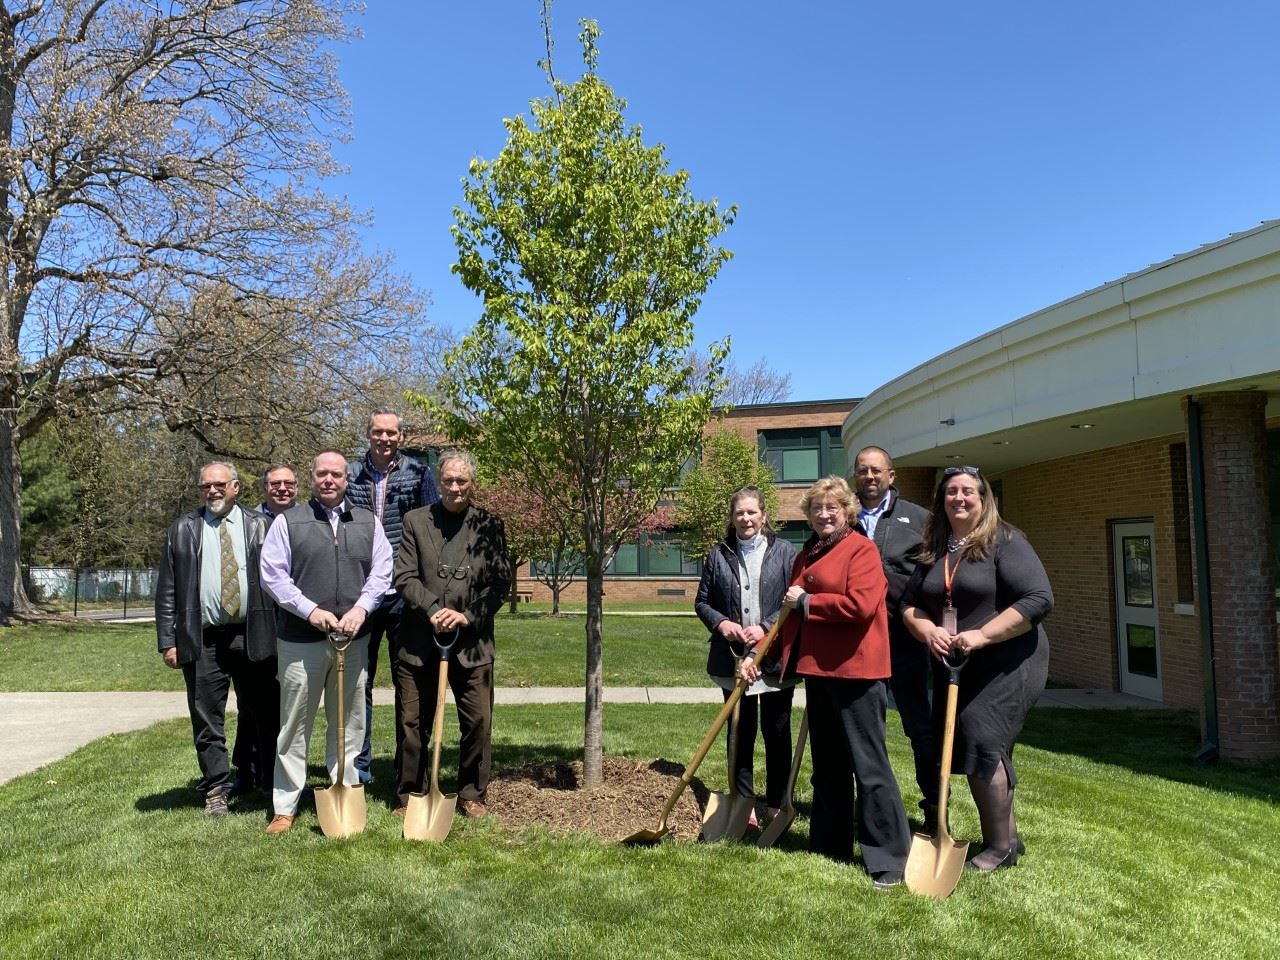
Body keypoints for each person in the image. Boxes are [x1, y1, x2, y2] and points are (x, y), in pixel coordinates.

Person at [741, 476, 910, 888]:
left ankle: (888, 856)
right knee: (829, 767)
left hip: (858, 673)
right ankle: (829, 844)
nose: (823, 514)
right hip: (818, 673)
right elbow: (788, 615)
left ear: (848, 510)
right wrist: (758, 655)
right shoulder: (808, 554)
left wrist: (809, 601)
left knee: (869, 767)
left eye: (832, 507)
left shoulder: (861, 550)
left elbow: (862, 605)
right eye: (816, 508)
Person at [901, 465, 1052, 872]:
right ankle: (1009, 838)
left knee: (983, 739)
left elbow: (1038, 599)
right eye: (951, 491)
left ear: (984, 499)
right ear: (941, 500)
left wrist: (982, 635)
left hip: (1008, 660)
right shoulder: (935, 546)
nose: (960, 498)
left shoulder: (1005, 541)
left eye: (969, 491)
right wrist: (929, 629)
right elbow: (909, 604)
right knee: (973, 743)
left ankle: (998, 848)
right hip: (956, 661)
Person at [259, 450, 393, 834]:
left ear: (347, 479)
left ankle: (346, 791)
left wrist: (361, 610)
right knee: (294, 725)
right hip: (301, 640)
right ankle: (285, 806)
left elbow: (381, 573)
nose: (329, 480)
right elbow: (273, 575)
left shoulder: (367, 522)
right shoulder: (289, 521)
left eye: (336, 474)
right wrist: (310, 611)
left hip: (352, 638)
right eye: (322, 474)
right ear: (312, 478)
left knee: (350, 723)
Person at [393, 449, 510, 818]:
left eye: (462, 481)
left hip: (472, 645)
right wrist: (432, 610)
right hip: (418, 642)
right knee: (411, 723)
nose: (455, 487)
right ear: (438, 481)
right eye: (448, 480)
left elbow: (499, 583)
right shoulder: (415, 521)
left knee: (478, 722)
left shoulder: (490, 526)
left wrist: (467, 616)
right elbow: (404, 577)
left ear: (472, 483)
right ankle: (410, 792)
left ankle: (471, 793)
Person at [155, 462, 277, 816]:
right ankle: (216, 789)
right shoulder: (182, 530)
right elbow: (167, 591)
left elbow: (279, 582)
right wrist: (168, 640)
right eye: (205, 486)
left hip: (253, 635)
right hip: (203, 639)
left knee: (266, 713)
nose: (212, 491)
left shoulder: (261, 526)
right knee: (207, 718)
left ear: (236, 487)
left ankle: (272, 784)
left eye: (219, 485)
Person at [345, 409, 438, 785]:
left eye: (391, 433)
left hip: (403, 594)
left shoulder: (419, 474)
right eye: (377, 432)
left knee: (409, 682)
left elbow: (432, 529)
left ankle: (408, 770)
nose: (384, 438)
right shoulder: (350, 475)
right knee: (357, 684)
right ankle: (359, 769)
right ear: (368, 435)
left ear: (401, 436)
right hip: (361, 594)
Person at [694, 486, 797, 826]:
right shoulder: (718, 555)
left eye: (752, 512)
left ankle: (778, 802)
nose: (746, 518)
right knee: (740, 731)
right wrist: (722, 624)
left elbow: (792, 600)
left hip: (773, 658)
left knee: (777, 732)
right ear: (732, 517)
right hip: (732, 657)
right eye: (740, 513)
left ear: (764, 515)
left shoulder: (784, 552)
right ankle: (744, 802)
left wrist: (767, 626)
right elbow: (702, 602)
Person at [851, 446, 936, 828]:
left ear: (891, 475)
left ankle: (935, 805)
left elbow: (935, 573)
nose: (869, 477)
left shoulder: (919, 519)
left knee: (919, 726)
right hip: (857, 643)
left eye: (876, 471)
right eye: (862, 471)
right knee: (867, 729)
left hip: (905, 641)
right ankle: (874, 809)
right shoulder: (843, 515)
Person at [227, 461, 296, 793]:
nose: (282, 488)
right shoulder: (249, 524)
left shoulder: (305, 520)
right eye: (274, 484)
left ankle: (276, 769)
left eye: (288, 483)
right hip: (257, 624)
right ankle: (246, 768)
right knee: (251, 702)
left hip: (295, 623)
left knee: (285, 702)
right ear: (264, 488)